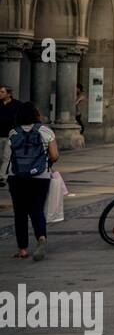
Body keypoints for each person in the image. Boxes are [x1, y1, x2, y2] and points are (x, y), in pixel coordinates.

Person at [7, 101, 58, 262]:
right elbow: (55, 155)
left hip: (17, 176)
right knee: (37, 209)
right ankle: (41, 237)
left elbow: (8, 157)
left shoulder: (13, 133)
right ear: (36, 115)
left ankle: (22, 249)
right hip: (40, 176)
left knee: (20, 213)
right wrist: (48, 162)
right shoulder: (46, 131)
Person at [0, 85, 17, 178]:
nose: (0, 94)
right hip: (0, 134)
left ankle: (2, 176)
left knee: (7, 157)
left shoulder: (17, 104)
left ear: (9, 94)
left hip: (11, 135)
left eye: (2, 92)